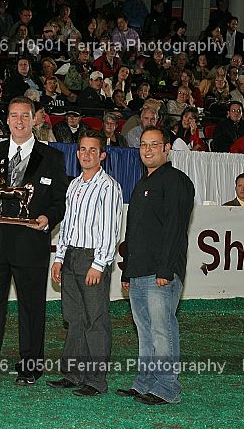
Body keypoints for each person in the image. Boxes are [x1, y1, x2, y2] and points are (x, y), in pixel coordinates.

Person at [0, 96, 68, 385]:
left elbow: (59, 202)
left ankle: (31, 366)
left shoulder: (53, 157)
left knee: (32, 308)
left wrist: (48, 218)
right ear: (7, 119)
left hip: (31, 244)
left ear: (34, 119)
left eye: (25, 115)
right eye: (14, 115)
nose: (19, 121)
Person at [118, 126, 195, 406]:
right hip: (138, 270)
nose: (148, 149)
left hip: (160, 272)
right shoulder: (141, 184)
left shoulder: (177, 181)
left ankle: (167, 387)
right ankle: (145, 383)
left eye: (154, 144)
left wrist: (165, 270)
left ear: (167, 149)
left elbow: (175, 228)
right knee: (145, 329)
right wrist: (127, 270)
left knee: (162, 329)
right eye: (143, 145)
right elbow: (133, 231)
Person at [48, 129, 123, 396]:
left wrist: (99, 264)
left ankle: (95, 381)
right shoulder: (74, 185)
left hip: (93, 257)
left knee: (95, 319)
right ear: (77, 153)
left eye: (93, 150)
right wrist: (59, 257)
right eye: (82, 149)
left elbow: (111, 230)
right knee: (74, 318)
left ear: (102, 155)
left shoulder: (109, 187)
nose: (87, 154)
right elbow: (67, 224)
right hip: (71, 256)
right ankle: (72, 373)